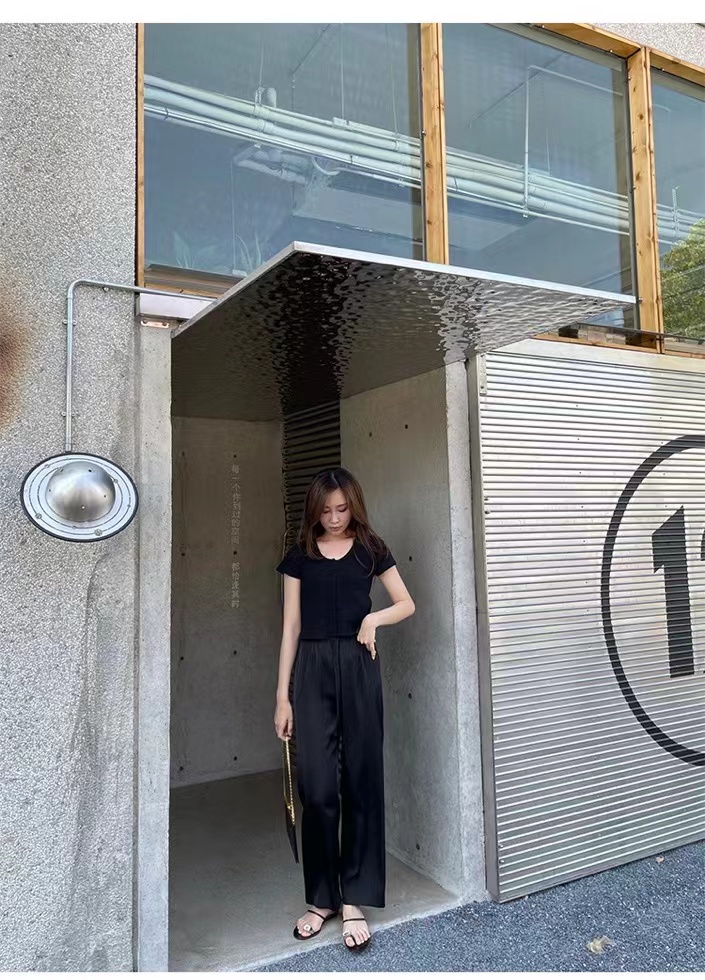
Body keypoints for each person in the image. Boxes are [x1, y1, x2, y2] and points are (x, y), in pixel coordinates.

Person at [274, 467, 415, 952]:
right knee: (316, 786)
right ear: (314, 511)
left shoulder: (371, 548)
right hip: (312, 669)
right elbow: (291, 627)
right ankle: (322, 899)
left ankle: (354, 897)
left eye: (342, 509)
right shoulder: (300, 555)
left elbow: (406, 603)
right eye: (326, 511)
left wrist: (373, 619)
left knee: (361, 781)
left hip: (358, 665)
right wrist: (282, 695)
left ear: (353, 506)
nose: (334, 519)